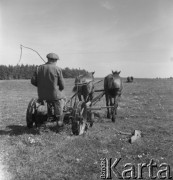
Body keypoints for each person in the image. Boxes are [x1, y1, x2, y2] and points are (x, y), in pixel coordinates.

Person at [31, 53, 65, 127]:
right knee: (62, 99)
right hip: (54, 94)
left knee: (50, 99)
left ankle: (50, 116)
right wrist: (60, 88)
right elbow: (62, 85)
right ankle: (58, 119)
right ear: (55, 60)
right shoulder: (57, 69)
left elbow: (33, 81)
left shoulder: (38, 68)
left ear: (48, 59)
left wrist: (41, 86)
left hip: (42, 95)